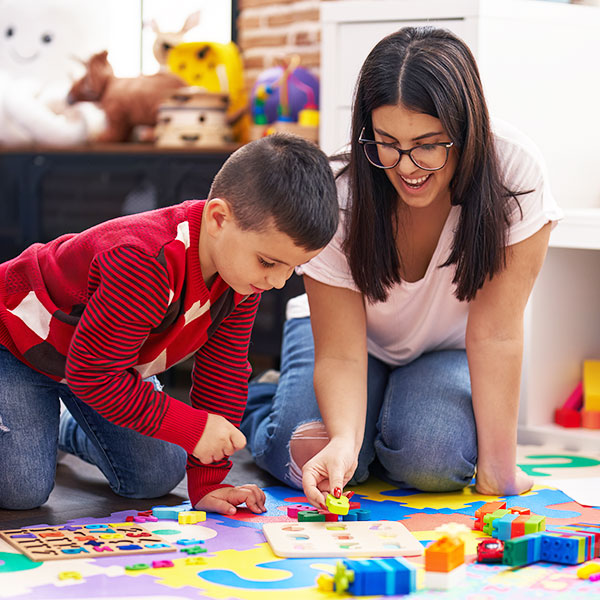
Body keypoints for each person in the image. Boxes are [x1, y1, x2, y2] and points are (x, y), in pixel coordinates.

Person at [241, 26, 563, 508]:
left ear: (466, 129)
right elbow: (343, 355)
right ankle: (265, 401)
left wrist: (498, 472)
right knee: (311, 456)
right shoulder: (343, 190)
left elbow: (496, 333)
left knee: (432, 462)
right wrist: (345, 444)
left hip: (446, 350)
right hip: (346, 345)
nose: (407, 166)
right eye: (387, 141)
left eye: (429, 144)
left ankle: (376, 416)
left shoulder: (514, 173)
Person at [0, 133, 339, 515]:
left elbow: (222, 373)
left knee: (158, 474)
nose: (278, 282)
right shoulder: (144, 261)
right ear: (217, 219)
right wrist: (192, 429)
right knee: (23, 489)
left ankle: (61, 425)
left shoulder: (242, 276)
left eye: (292, 267)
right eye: (268, 262)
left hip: (99, 361)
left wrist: (208, 482)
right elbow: (93, 376)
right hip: (18, 346)